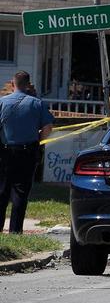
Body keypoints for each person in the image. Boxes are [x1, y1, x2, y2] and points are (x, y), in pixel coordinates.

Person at [0, 71, 54, 234]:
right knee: (20, 193)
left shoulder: (2, 102)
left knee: (1, 191)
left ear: (12, 84)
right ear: (28, 85)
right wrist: (38, 141)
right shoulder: (37, 104)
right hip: (27, 152)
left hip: (4, 153)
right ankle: (15, 231)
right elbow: (48, 127)